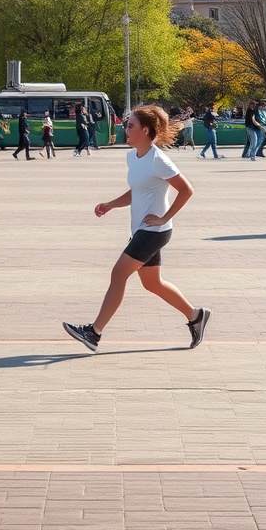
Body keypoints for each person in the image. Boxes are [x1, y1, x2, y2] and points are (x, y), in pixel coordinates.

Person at [62, 105, 211, 352]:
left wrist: (164, 218)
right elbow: (138, 191)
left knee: (118, 273)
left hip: (153, 232)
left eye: (130, 125)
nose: (125, 128)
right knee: (153, 283)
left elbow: (186, 190)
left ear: (145, 130)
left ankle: (94, 332)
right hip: (142, 230)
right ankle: (196, 316)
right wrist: (111, 204)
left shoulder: (158, 160)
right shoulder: (133, 157)